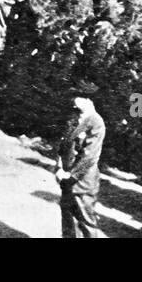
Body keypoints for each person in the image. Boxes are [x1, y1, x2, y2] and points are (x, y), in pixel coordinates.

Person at [55, 79, 107, 238]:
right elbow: (63, 144)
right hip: (67, 176)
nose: (73, 100)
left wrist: (71, 175)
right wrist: (58, 166)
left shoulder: (96, 123)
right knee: (67, 219)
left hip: (83, 180)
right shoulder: (74, 116)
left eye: (77, 96)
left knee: (85, 220)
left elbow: (90, 156)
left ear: (88, 100)